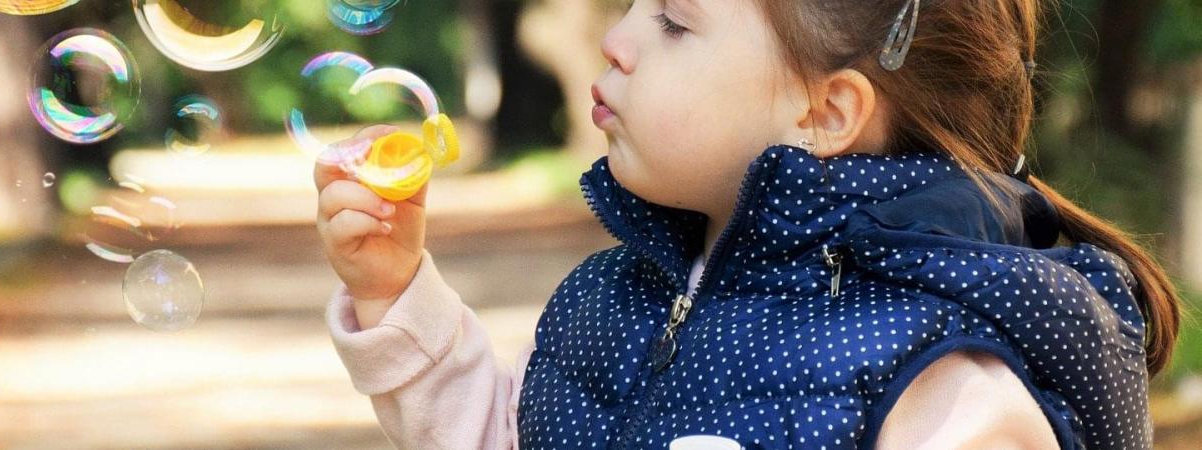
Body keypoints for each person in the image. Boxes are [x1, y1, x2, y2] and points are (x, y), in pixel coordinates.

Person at [312, 0, 1180, 448]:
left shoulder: (938, 372)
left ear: (827, 110)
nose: (617, 39)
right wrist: (397, 297)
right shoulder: (619, 297)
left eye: (675, 23)